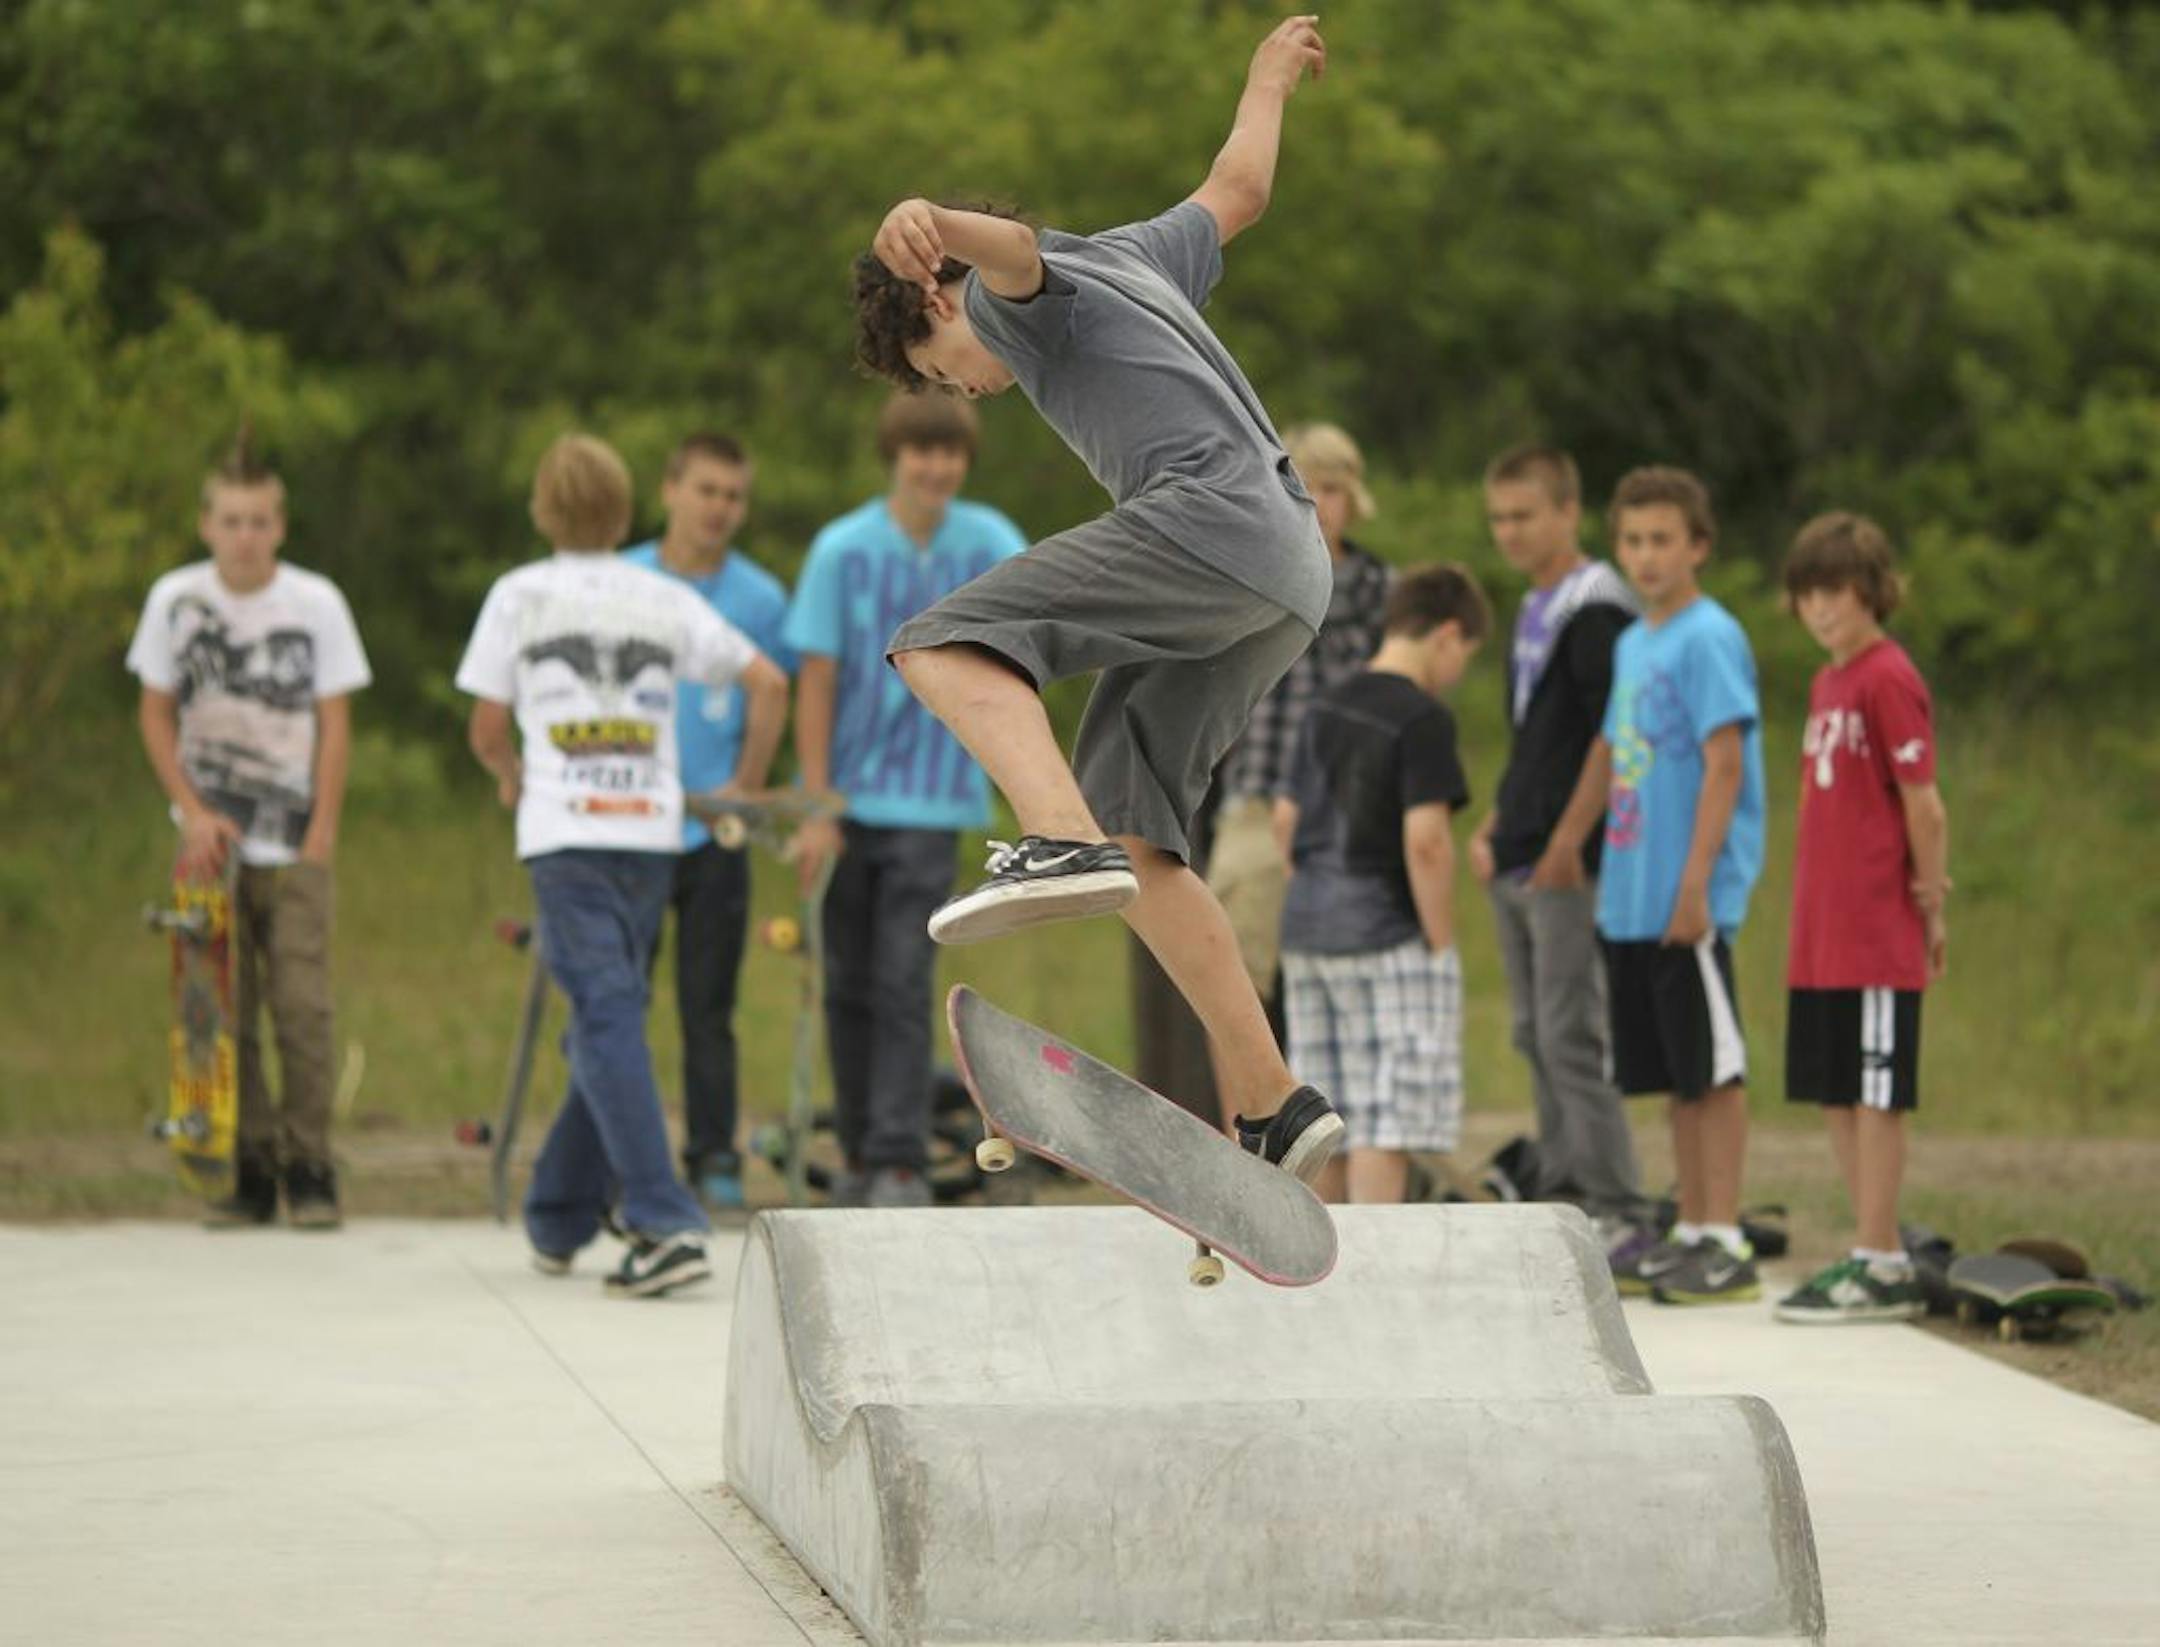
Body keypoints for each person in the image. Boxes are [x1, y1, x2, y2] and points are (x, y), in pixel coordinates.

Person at [852, 16, 1346, 1182]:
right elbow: (1240, 187)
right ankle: (1274, 1099)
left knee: (939, 643)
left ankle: (1055, 840)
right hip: (1289, 574)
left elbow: (1014, 255)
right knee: (1146, 838)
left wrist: (930, 223)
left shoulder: (1026, 302)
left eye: (939, 372)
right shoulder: (1141, 253)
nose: (966, 393)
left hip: (1210, 528)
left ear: (939, 302)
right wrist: (1268, 76)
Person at [457, 434, 786, 1297]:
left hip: (567, 840)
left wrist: (509, 774)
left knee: (605, 1017)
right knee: (610, 1018)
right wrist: (743, 789)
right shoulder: (660, 595)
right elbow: (769, 683)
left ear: (542, 508)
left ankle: (662, 1218)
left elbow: (488, 727)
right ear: (626, 508)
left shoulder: (518, 596)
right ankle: (560, 1212)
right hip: (649, 835)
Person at [784, 392, 1026, 1207]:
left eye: (950, 454)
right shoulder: (840, 550)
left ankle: (897, 1157)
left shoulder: (990, 542)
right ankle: (857, 1150)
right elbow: (815, 678)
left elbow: (1026, 655)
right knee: (848, 981)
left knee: (900, 977)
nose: (936, 468)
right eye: (922, 452)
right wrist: (815, 802)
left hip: (933, 800)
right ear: (896, 455)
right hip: (849, 802)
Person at [128, 433, 372, 1230]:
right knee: (221, 1010)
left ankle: (311, 1163)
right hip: (210, 844)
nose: (245, 536)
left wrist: (322, 834)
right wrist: (192, 810)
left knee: (301, 1006)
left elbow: (333, 723)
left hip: (294, 836)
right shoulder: (175, 601)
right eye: (231, 520)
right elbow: (156, 712)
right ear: (206, 524)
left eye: (259, 521)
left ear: (281, 525)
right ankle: (248, 1160)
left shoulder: (316, 604)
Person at [1548, 466, 1767, 1304]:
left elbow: (1724, 760)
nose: (1645, 556)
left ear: (1698, 546)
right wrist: (1569, 839)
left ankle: (1726, 1232)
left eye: (1662, 540)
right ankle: (1690, 1224)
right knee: (1676, 1070)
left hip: (1687, 895)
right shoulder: (1636, 641)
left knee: (1713, 1067)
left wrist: (1697, 882)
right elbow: (1611, 751)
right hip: (1631, 892)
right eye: (1633, 540)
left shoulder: (1709, 636)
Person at [1773, 513, 1949, 1324]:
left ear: (1870, 590)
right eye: (1807, 593)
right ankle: (1867, 1243)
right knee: (1836, 1090)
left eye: (1836, 591)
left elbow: (1925, 805)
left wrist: (1932, 899)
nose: (1821, 608)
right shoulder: (1826, 683)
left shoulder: (1886, 676)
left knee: (1878, 1093)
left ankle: (1885, 1257)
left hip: (1878, 927)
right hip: (1824, 931)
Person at [1468, 445, 1645, 1233]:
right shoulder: (1537, 604)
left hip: (1568, 856)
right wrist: (1500, 817)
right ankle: (1564, 1185)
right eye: (1498, 518)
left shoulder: (1597, 606)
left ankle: (1615, 1199)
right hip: (1523, 847)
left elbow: (1618, 731)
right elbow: (1540, 737)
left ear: (1568, 513)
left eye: (1524, 515)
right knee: (1534, 1028)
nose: (1509, 532)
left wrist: (1572, 836)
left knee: (1572, 1029)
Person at [622, 432, 796, 1212]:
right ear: (670, 490)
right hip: (626, 825)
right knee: (615, 1002)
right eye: (706, 491)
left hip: (713, 831)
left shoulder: (758, 599)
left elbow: (775, 691)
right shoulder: (620, 581)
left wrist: (747, 783)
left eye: (733, 495)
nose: (719, 509)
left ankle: (712, 1155)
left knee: (708, 1004)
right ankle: (616, 1157)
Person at [1274, 566, 1487, 1204]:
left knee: (1327, 1117)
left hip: (1309, 931)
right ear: (1449, 635)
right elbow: (1426, 841)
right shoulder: (1423, 718)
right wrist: (1440, 939)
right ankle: (1376, 1262)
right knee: (1386, 1120)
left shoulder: (1322, 706)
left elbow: (1285, 820)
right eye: (1465, 657)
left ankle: (1327, 1267)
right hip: (1387, 933)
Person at [1206, 422, 1392, 1066]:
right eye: (1305, 485)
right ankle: (1249, 1138)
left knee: (1341, 981)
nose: (1319, 501)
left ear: (1353, 497)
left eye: (1333, 488)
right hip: (1256, 795)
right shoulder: (1250, 575)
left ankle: (1348, 1151)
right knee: (1235, 977)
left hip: (1345, 807)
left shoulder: (1378, 589)